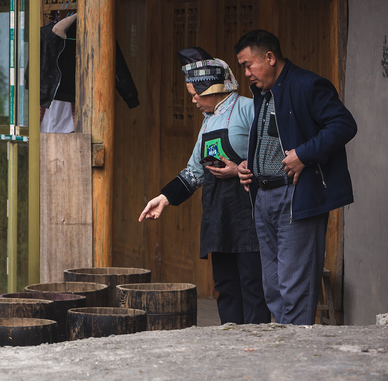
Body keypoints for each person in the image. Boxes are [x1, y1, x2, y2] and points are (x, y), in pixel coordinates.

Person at [139, 47, 270, 325]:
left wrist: (240, 170)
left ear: (215, 88)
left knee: (252, 287)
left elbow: (273, 154)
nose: (194, 100)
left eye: (196, 94)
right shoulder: (208, 123)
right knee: (225, 287)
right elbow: (193, 173)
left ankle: (257, 348)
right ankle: (229, 344)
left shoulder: (250, 109)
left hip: (248, 214)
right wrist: (164, 198)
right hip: (218, 215)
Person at [234, 30, 356, 325]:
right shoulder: (263, 92)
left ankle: (295, 361)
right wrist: (249, 164)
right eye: (243, 67)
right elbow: (273, 139)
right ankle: (283, 357)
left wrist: (304, 154)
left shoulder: (308, 85)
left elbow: (344, 124)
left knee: (295, 288)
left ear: (271, 58)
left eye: (249, 65)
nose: (246, 73)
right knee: (273, 288)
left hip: (296, 195)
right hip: (263, 196)